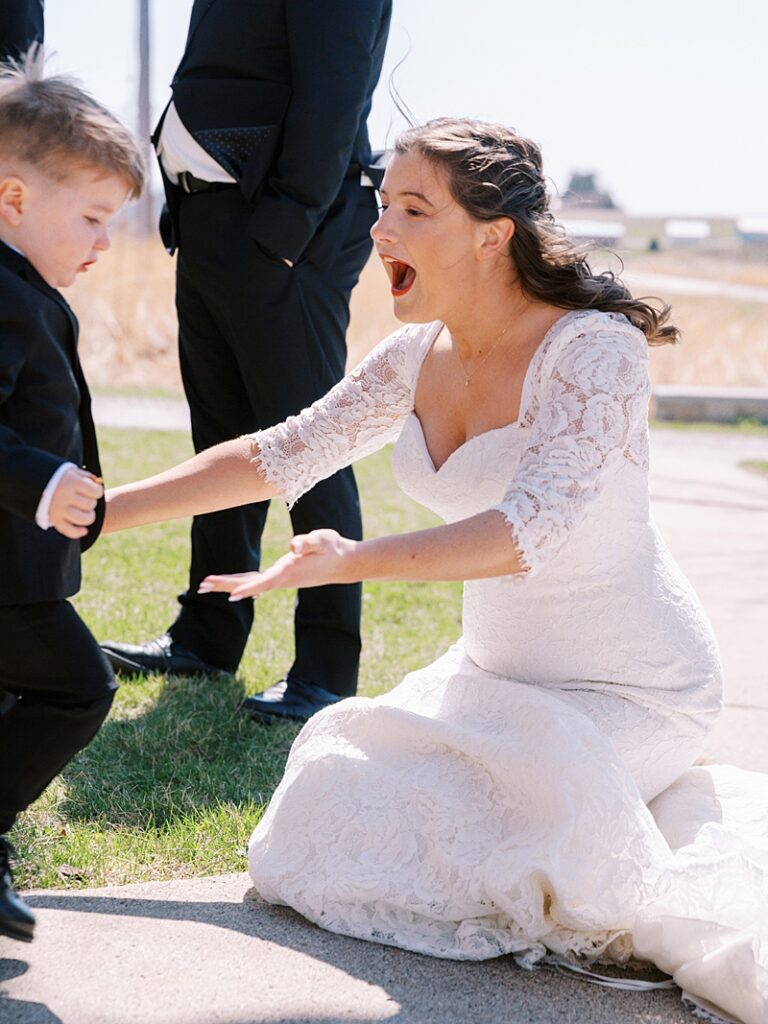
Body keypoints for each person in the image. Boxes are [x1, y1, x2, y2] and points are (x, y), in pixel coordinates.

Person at [102, 119, 767, 1023]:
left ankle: (637, 816)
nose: (381, 229)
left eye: (414, 210)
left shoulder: (595, 350)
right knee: (328, 808)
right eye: (383, 206)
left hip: (633, 685)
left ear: (496, 234)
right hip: (494, 678)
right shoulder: (413, 356)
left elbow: (524, 534)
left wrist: (348, 561)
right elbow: (280, 452)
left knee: (522, 853)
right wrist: (100, 513)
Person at [100, 0, 393, 726]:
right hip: (214, 221)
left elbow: (338, 81)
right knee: (224, 439)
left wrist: (285, 226)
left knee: (310, 447)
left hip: (280, 229)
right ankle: (207, 636)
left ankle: (325, 673)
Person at [0, 51, 145, 942]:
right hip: (8, 574)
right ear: (13, 199)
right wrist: (44, 480)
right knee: (75, 689)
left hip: (23, 564)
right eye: (91, 218)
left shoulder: (25, 287)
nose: (103, 243)